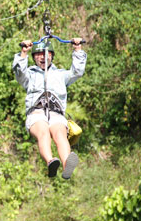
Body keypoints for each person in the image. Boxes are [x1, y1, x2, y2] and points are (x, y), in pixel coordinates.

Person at [12, 38, 86, 179]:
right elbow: (19, 73)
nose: (43, 57)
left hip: (56, 113)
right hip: (36, 113)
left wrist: (77, 50)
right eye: (38, 54)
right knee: (43, 132)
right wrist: (23, 53)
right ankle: (50, 161)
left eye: (46, 54)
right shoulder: (30, 75)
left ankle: (66, 165)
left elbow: (77, 72)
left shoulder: (60, 75)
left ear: (51, 56)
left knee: (60, 134)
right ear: (34, 58)